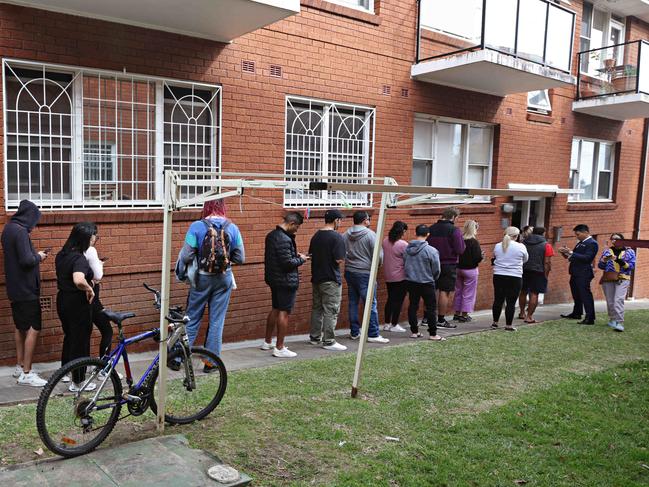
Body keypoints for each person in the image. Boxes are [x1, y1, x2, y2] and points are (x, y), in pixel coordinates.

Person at [175, 199, 245, 368]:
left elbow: (185, 256)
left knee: (192, 318)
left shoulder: (197, 227)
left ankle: (179, 358)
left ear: (206, 207)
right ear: (223, 208)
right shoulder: (232, 227)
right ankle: (211, 362)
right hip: (224, 278)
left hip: (201, 278)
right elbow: (241, 258)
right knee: (217, 321)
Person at [1, 200, 49, 387]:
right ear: (29, 216)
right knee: (34, 327)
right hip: (26, 288)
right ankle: (27, 373)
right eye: (34, 220)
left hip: (14, 287)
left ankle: (20, 366)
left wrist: (33, 253)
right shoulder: (20, 232)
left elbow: (19, 255)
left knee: (20, 326)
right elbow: (27, 261)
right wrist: (39, 256)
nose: (34, 225)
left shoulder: (8, 229)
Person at [56, 222, 97, 392]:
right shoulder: (79, 258)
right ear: (85, 238)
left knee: (70, 337)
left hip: (63, 300)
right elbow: (78, 279)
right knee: (80, 341)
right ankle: (78, 382)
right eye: (93, 235)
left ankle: (64, 372)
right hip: (77, 303)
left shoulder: (61, 254)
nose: (95, 238)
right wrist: (89, 288)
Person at [263, 212, 309, 358]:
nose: (297, 230)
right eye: (297, 227)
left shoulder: (271, 235)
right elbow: (287, 263)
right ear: (292, 224)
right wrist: (301, 259)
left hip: (274, 279)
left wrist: (294, 257)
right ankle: (280, 348)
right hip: (285, 281)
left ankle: (267, 341)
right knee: (284, 312)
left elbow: (280, 258)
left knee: (275, 309)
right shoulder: (284, 239)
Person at [343, 211, 389, 343]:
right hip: (365, 272)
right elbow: (379, 256)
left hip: (350, 271)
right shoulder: (370, 234)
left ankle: (354, 332)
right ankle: (373, 334)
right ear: (365, 220)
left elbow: (342, 251)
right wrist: (377, 266)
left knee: (353, 302)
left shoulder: (346, 234)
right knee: (370, 303)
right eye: (369, 219)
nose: (369, 221)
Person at [308, 209, 347, 351]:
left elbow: (311, 255)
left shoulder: (316, 236)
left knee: (317, 308)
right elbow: (339, 259)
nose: (341, 223)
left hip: (316, 278)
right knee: (331, 310)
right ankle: (329, 341)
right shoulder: (337, 237)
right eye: (340, 220)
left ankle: (314, 337)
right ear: (336, 220)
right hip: (330, 279)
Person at [404, 224, 444, 341]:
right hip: (427, 282)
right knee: (431, 308)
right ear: (428, 234)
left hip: (411, 281)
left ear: (415, 233)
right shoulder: (431, 251)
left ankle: (414, 331)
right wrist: (432, 277)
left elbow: (405, 264)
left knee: (413, 306)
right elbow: (437, 269)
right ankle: (433, 334)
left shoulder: (407, 249)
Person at [427, 207, 465, 329]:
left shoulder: (431, 229)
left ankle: (426, 318)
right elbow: (460, 249)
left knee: (431, 290)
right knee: (444, 291)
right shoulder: (454, 230)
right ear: (453, 217)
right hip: (448, 264)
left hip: (431, 263)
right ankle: (441, 320)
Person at [559, 224, 599, 325]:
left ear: (586, 232)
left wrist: (571, 252)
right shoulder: (580, 243)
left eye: (578, 234)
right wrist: (565, 253)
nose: (577, 236)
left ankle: (590, 317)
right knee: (576, 294)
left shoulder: (592, 243)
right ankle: (577, 312)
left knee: (585, 295)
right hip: (575, 272)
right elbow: (573, 257)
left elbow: (587, 258)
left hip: (584, 273)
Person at [491, 226, 528, 331]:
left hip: (498, 275)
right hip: (515, 276)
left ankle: (495, 322)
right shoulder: (521, 247)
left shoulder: (498, 246)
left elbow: (495, 257)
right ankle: (508, 325)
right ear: (516, 236)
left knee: (498, 299)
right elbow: (525, 259)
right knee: (511, 302)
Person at [598, 233, 635, 332]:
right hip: (608, 278)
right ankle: (612, 319)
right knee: (610, 301)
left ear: (622, 240)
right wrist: (604, 261)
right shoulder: (607, 251)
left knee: (618, 300)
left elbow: (631, 267)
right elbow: (600, 266)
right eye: (612, 239)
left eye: (617, 239)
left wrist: (618, 260)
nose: (614, 240)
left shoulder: (629, 252)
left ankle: (619, 322)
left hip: (622, 278)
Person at [518, 226, 554, 323]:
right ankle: (529, 317)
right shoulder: (546, 245)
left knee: (523, 291)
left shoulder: (523, 243)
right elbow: (547, 262)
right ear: (543, 233)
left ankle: (522, 313)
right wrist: (546, 275)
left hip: (524, 270)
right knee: (534, 293)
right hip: (538, 272)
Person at [453, 220, 483, 323]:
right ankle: (464, 315)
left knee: (458, 291)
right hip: (470, 270)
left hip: (458, 269)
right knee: (468, 293)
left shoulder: (460, 240)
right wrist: (481, 257)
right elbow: (477, 257)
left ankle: (456, 313)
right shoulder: (474, 242)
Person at [381, 221, 409, 333]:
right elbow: (408, 260)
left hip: (388, 275)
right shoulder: (403, 244)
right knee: (398, 300)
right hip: (400, 276)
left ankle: (387, 323)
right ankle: (394, 324)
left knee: (390, 299)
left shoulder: (385, 241)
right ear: (402, 231)